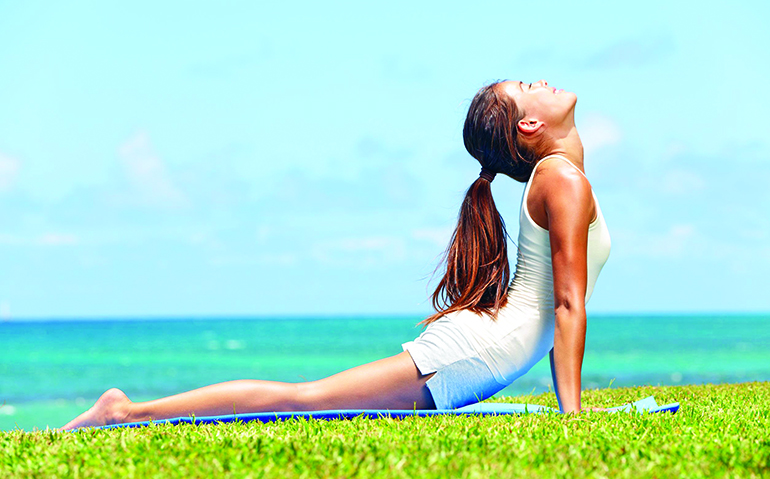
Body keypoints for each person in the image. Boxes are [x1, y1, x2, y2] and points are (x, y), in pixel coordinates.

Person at [61, 79, 610, 430]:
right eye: (528, 85)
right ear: (529, 125)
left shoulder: (559, 178)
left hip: (487, 346)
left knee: (308, 398)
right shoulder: (562, 179)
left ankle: (127, 410)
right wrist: (573, 417)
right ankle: (125, 411)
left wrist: (571, 407)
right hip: (475, 352)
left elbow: (561, 305)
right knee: (305, 399)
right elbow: (566, 305)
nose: (542, 81)